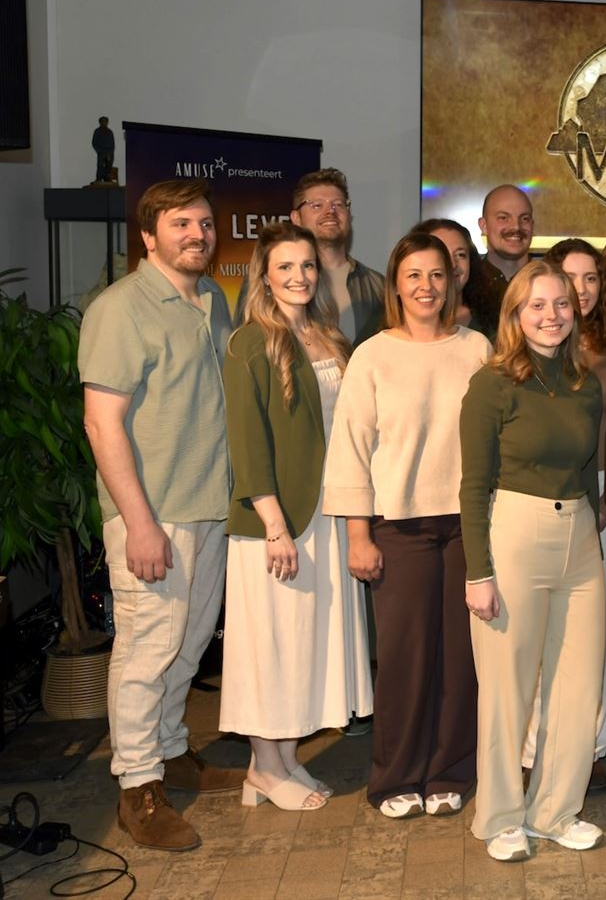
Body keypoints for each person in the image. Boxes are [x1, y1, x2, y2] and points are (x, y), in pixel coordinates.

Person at [80, 178, 244, 851]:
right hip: (153, 513)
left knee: (189, 641)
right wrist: (139, 523)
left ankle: (172, 751)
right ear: (149, 236)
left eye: (205, 223)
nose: (197, 234)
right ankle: (137, 786)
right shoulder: (120, 308)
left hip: (209, 506)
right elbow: (101, 421)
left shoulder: (212, 300)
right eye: (181, 223)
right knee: (147, 649)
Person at [325, 232, 490, 820]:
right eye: (414, 275)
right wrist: (358, 535)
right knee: (404, 659)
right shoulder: (372, 355)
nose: (426, 286)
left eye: (437, 274)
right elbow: (350, 449)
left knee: (460, 661)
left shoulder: (478, 349)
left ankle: (450, 771)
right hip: (399, 527)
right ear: (395, 283)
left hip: (468, 525)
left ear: (452, 282)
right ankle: (395, 777)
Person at [220, 222, 372, 814]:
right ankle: (264, 765)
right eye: (285, 266)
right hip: (277, 522)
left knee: (303, 644)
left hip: (326, 515)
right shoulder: (249, 343)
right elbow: (247, 442)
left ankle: (281, 760)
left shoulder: (328, 336)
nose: (299, 276)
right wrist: (274, 525)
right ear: (264, 274)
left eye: (307, 265)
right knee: (271, 646)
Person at [459, 263, 606, 861]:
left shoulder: (584, 383)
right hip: (516, 532)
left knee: (578, 686)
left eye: (561, 304)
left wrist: (593, 534)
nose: (551, 315)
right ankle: (499, 817)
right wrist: (478, 572)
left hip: (580, 538)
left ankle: (554, 811)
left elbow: (587, 470)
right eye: (537, 305)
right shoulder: (492, 383)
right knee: (507, 689)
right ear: (515, 315)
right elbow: (472, 486)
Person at [545, 237, 606, 791]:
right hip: (542, 493)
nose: (580, 289)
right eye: (569, 277)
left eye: (591, 277)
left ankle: (592, 745)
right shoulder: (534, 341)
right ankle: (539, 745)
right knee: (545, 625)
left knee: (599, 625)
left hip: (601, 494)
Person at [237, 168, 386, 344]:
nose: (330, 211)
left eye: (338, 204)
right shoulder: (268, 281)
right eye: (317, 205)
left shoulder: (378, 285)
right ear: (296, 217)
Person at [470, 184, 536, 332]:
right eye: (503, 218)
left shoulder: (549, 283)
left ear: (532, 225)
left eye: (524, 219)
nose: (516, 227)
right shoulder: (466, 285)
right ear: (484, 225)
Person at [411, 218, 490, 340]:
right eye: (442, 254)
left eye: (460, 255)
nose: (452, 264)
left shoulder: (492, 322)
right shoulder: (391, 325)